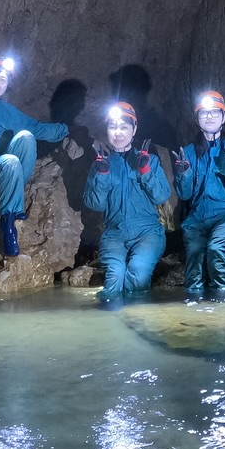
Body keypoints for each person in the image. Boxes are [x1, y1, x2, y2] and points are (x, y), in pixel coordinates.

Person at [0, 55, 71, 257]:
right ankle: (9, 226)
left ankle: (12, 208)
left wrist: (68, 129)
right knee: (10, 161)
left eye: (3, 80)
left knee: (26, 136)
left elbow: (39, 128)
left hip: (6, 171)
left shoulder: (8, 111)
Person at [84, 101, 171, 302]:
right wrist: (103, 175)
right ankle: (112, 326)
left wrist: (145, 171)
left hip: (148, 233)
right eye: (112, 127)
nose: (118, 132)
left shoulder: (149, 160)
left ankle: (137, 324)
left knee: (137, 272)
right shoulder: (100, 164)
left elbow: (161, 196)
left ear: (134, 130)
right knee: (114, 277)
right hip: (114, 234)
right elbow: (94, 204)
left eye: (124, 127)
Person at [174, 90, 225, 295]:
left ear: (224, 117)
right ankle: (194, 314)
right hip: (197, 217)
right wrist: (185, 173)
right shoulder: (188, 152)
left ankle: (224, 304)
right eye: (204, 113)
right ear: (197, 118)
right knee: (195, 257)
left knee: (217, 250)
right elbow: (184, 195)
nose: (209, 117)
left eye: (215, 113)